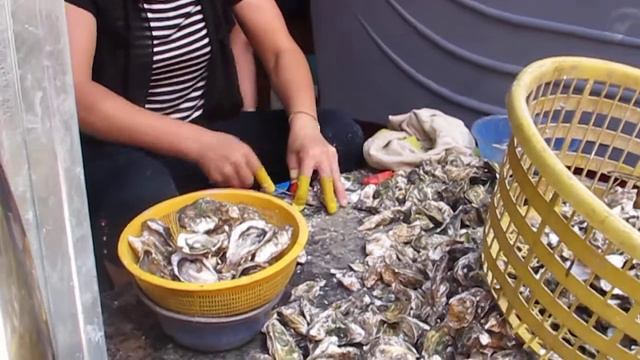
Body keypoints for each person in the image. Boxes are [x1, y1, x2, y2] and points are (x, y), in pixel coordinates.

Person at [64, 0, 364, 290]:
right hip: (120, 153)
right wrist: (199, 144)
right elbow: (78, 94)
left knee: (337, 134)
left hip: (209, 138)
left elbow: (279, 50)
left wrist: (305, 124)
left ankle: (273, 252)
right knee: (144, 196)